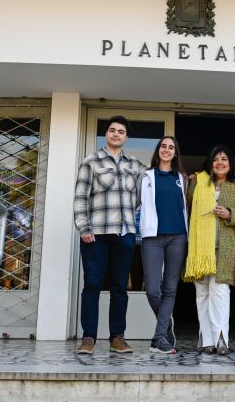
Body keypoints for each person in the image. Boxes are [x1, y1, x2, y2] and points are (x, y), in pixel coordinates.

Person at [73, 115, 145, 355]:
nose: (116, 134)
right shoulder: (91, 162)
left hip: (124, 233)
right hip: (96, 234)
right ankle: (88, 338)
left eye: (121, 131)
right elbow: (80, 197)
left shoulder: (134, 165)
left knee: (120, 287)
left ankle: (117, 337)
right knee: (92, 284)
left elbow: (153, 182)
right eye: (112, 130)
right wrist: (83, 227)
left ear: (126, 137)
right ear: (107, 134)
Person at [184, 145, 235, 355]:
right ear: (210, 163)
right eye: (215, 159)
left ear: (230, 165)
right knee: (201, 293)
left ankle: (221, 338)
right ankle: (206, 339)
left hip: (225, 247)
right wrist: (189, 180)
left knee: (220, 293)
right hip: (200, 249)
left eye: (224, 159)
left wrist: (230, 214)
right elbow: (186, 204)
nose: (220, 163)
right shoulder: (199, 182)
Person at [138, 136, 189, 354]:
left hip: (178, 237)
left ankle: (159, 337)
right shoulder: (146, 176)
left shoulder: (183, 178)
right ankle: (166, 326)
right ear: (158, 150)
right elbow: (135, 203)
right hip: (152, 237)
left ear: (175, 153)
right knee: (151, 289)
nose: (167, 150)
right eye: (163, 146)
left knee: (170, 289)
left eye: (171, 147)